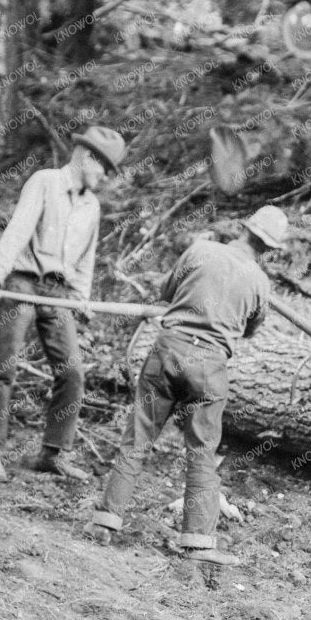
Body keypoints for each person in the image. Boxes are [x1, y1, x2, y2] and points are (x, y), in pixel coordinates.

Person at [94, 206, 287, 561]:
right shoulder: (261, 283)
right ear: (270, 249)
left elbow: (167, 290)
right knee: (201, 451)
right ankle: (197, 541)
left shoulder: (200, 250)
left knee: (139, 436)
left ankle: (106, 520)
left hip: (169, 350)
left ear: (243, 229)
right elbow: (250, 328)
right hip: (210, 365)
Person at [0, 125, 127, 483]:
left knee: (72, 372)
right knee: (5, 365)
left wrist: (80, 298)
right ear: (87, 157)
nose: (104, 177)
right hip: (23, 283)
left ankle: (53, 453)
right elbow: (19, 229)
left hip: (56, 293)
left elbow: (86, 257)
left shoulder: (92, 205)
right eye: (103, 167)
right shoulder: (45, 182)